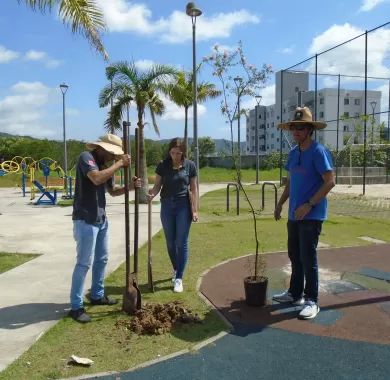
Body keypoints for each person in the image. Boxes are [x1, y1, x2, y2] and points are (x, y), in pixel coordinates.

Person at [273, 107, 335, 320]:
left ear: (309, 130)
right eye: (293, 128)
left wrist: (309, 204)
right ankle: (294, 294)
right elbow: (291, 182)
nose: (296, 131)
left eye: (300, 127)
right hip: (293, 215)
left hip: (311, 215)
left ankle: (312, 301)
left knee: (308, 258)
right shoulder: (293, 153)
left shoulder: (319, 152)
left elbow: (330, 181)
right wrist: (280, 203)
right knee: (294, 256)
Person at [69, 133, 139, 323]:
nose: (112, 158)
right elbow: (96, 179)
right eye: (112, 154)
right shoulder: (86, 158)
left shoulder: (106, 166)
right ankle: (76, 307)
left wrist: (131, 187)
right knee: (84, 263)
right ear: (102, 148)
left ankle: (97, 295)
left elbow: (113, 191)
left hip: (101, 220)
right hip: (85, 220)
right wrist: (120, 164)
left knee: (102, 259)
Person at [147, 138, 198, 293]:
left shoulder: (190, 165)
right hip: (167, 205)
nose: (174, 155)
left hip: (183, 205)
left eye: (178, 152)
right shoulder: (163, 166)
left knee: (181, 242)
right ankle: (176, 269)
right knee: (170, 242)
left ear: (183, 152)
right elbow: (157, 185)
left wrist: (195, 210)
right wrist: (152, 194)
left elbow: (194, 189)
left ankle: (179, 278)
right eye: (172, 152)